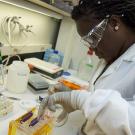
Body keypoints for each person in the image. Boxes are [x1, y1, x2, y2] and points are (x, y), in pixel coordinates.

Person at [38, 0, 135, 134]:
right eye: (87, 41)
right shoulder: (111, 56)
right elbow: (101, 96)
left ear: (114, 23)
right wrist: (74, 95)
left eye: (93, 38)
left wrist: (79, 100)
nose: (91, 48)